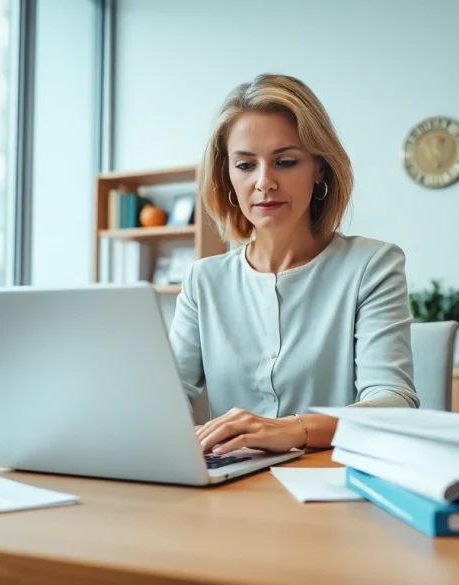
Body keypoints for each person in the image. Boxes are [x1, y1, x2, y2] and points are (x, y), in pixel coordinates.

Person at [169, 72, 418, 457]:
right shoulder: (204, 280)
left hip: (330, 486)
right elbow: (165, 401)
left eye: (285, 161)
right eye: (245, 165)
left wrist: (291, 430)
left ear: (320, 168)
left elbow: (394, 403)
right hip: (229, 490)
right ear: (227, 174)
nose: (264, 182)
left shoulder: (372, 265)